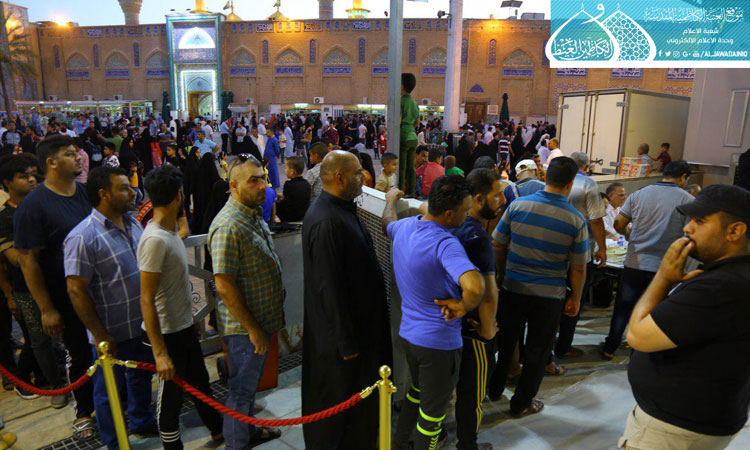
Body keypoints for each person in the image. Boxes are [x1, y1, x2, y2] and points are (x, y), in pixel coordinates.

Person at [621, 184, 750, 450]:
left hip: (673, 430)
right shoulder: (731, 275)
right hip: (702, 417)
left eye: (700, 221)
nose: (687, 228)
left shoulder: (721, 286)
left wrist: (663, 277)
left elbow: (638, 336)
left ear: (735, 231)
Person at [384, 175, 485, 450]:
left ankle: (399, 445)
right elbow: (475, 287)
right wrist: (463, 306)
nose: (467, 216)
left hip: (409, 337)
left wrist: (391, 200)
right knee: (431, 418)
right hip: (438, 345)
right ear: (449, 214)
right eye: (465, 211)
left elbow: (387, 223)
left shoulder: (404, 228)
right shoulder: (446, 244)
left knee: (416, 394)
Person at [301, 151, 392, 449]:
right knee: (342, 411)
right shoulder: (327, 221)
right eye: (356, 173)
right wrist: (346, 343)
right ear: (339, 177)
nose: (363, 177)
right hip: (344, 343)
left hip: (358, 332)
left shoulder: (340, 210)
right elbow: (328, 288)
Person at [63, 166, 157, 450]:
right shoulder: (83, 236)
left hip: (140, 325)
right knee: (108, 391)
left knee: (141, 376)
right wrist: (100, 334)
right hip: (110, 334)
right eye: (124, 188)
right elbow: (76, 289)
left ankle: (141, 421)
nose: (133, 193)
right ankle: (115, 441)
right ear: (104, 194)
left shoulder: (133, 223)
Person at [488, 157, 589, 415]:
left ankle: (494, 389)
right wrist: (576, 298)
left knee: (506, 342)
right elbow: (578, 267)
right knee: (537, 351)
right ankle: (521, 403)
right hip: (550, 296)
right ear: (570, 183)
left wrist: (501, 274)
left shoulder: (517, 206)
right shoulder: (576, 220)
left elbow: (498, 243)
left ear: (545, 176)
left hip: (513, 288)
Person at [14, 134, 96, 439]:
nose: (78, 158)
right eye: (70, 154)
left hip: (97, 291)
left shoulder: (86, 193)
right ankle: (84, 412)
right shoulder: (33, 206)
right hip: (66, 297)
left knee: (105, 349)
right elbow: (28, 261)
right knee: (79, 354)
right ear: (51, 162)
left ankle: (115, 400)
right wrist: (47, 309)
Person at [138, 165, 224, 449]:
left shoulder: (170, 232)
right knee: (171, 399)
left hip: (183, 325)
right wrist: (160, 353)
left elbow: (182, 235)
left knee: (200, 383)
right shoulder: (154, 240)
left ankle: (218, 430)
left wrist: (192, 319)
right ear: (179, 195)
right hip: (167, 333)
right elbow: (146, 298)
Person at [208, 155, 284, 449]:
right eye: (253, 181)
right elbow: (224, 285)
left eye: (263, 178)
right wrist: (252, 329)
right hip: (244, 330)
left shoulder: (251, 214)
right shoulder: (228, 225)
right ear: (234, 186)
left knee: (249, 388)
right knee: (240, 391)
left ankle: (249, 432)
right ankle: (237, 443)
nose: (262, 185)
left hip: (259, 323)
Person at [600, 160, 693, 360]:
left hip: (635, 261)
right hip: (663, 268)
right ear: (683, 177)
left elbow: (619, 223)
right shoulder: (687, 200)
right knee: (652, 312)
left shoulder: (639, 194)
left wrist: (629, 234)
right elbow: (690, 234)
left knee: (623, 308)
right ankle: (639, 352)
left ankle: (610, 347)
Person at [0, 154, 67, 406]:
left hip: (57, 280)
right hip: (25, 289)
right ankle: (56, 386)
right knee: (39, 338)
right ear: (7, 183)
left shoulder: (44, 205)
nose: (31, 180)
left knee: (64, 332)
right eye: (23, 176)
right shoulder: (5, 217)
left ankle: (68, 377)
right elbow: (16, 259)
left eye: (32, 175)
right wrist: (9, 295)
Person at [452, 169, 503, 450]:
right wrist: (488, 328)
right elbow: (487, 291)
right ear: (479, 198)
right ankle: (468, 445)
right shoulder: (478, 237)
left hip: (450, 324)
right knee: (472, 394)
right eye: (497, 195)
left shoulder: (450, 224)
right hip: (473, 330)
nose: (502, 200)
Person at [555, 152, 607, 360]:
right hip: (580, 251)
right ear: (586, 166)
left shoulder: (556, 180)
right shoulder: (588, 184)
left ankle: (548, 347)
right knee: (575, 299)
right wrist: (602, 248)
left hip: (555, 250)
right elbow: (596, 220)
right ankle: (564, 346)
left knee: (554, 301)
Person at [400, 73, 420, 196]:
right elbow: (417, 122)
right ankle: (411, 192)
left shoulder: (401, 101)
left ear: (402, 85)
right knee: (411, 167)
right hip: (413, 137)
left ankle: (400, 192)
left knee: (402, 167)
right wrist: (411, 128)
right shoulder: (414, 103)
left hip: (404, 136)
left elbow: (398, 121)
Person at [277, 155, 311, 222]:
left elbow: (286, 200)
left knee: (274, 202)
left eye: (286, 168)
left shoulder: (288, 184)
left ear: (292, 171)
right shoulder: (306, 183)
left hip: (290, 217)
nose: (285, 170)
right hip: (303, 215)